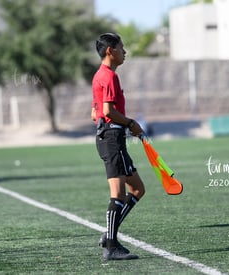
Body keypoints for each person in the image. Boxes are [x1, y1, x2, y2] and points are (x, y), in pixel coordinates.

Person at [91, 33, 146, 260]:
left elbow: (94, 112)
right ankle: (111, 246)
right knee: (118, 195)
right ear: (110, 51)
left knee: (137, 189)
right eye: (122, 48)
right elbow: (107, 112)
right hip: (112, 139)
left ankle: (109, 234)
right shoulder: (109, 76)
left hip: (113, 138)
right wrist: (131, 123)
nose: (125, 52)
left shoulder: (100, 76)